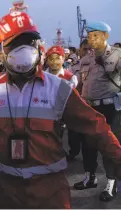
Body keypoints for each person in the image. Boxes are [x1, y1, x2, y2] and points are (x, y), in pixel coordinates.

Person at [0, 11, 121, 209]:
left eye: (29, 43)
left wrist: (117, 158)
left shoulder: (59, 89)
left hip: (49, 192)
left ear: (39, 48)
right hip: (6, 190)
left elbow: (97, 127)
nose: (22, 50)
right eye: (15, 44)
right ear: (2, 49)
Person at [74, 21, 121, 201]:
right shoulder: (87, 58)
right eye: (89, 36)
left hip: (110, 108)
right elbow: (77, 77)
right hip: (90, 108)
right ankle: (90, 177)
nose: (91, 39)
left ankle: (111, 183)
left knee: (109, 146)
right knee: (88, 145)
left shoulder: (116, 55)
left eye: (95, 35)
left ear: (105, 36)